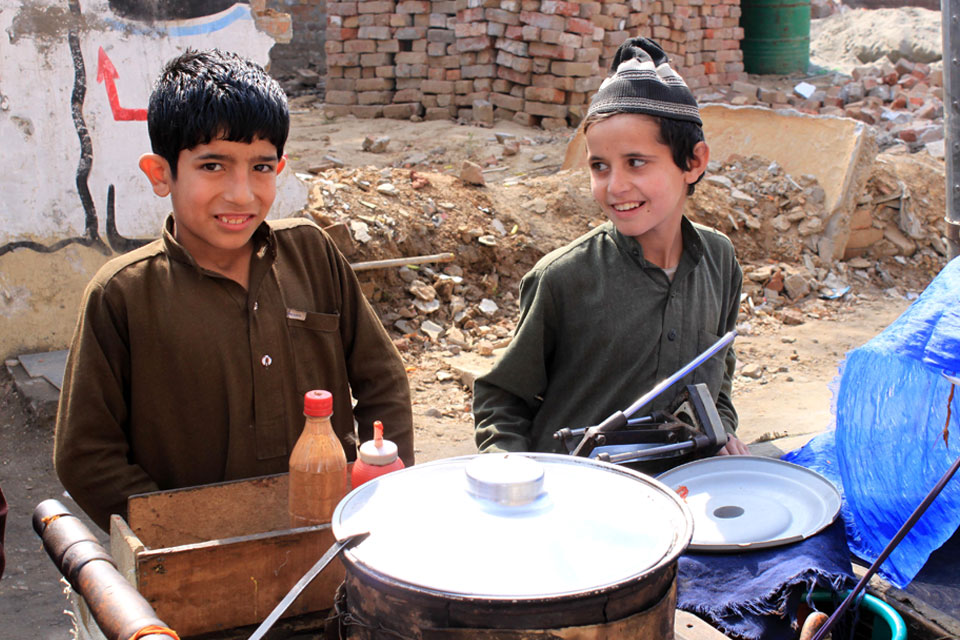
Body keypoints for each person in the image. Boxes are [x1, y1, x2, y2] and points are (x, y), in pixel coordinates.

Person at [54, 49, 414, 532]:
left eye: (260, 168)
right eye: (213, 166)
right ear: (162, 174)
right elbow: (86, 454)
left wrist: (373, 491)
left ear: (280, 167)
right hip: (197, 563)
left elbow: (382, 380)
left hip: (331, 532)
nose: (241, 193)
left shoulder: (311, 253)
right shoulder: (122, 295)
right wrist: (184, 532)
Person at [473, 38, 749, 468]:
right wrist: (512, 475)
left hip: (687, 489)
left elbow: (720, 372)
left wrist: (723, 427)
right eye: (599, 166)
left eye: (636, 162)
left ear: (693, 162)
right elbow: (501, 399)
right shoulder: (564, 278)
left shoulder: (720, 260)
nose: (614, 186)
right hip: (578, 502)